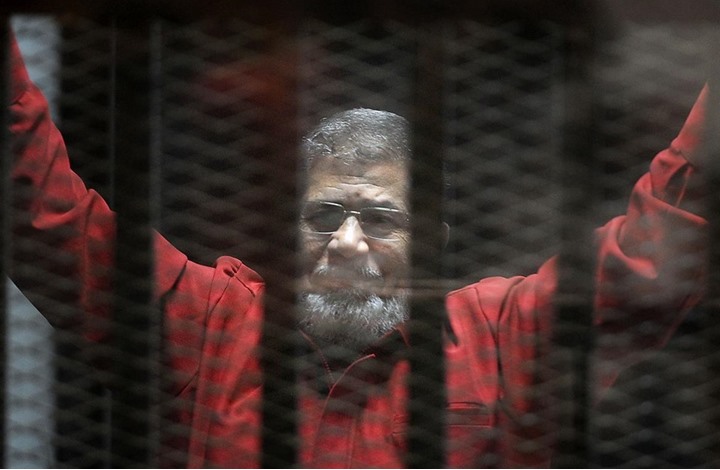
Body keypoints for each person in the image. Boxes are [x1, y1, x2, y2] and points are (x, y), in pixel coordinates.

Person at [7, 30, 708, 468]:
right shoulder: (210, 326)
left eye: (379, 219)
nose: (345, 242)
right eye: (323, 216)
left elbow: (655, 249)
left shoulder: (501, 336)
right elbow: (40, 212)